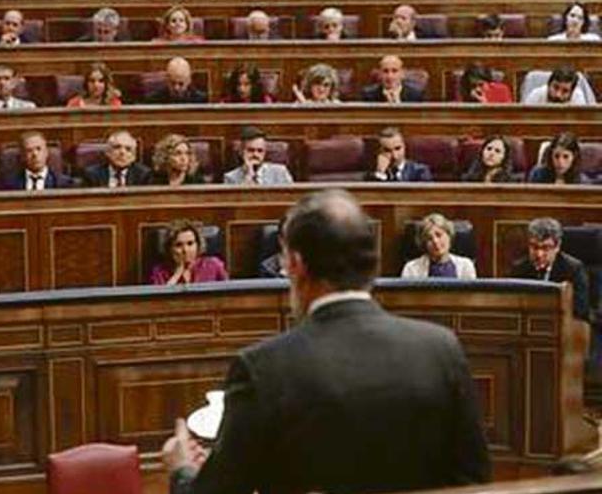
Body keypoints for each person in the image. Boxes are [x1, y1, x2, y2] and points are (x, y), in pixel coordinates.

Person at [162, 189, 491, 494]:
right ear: (372, 265)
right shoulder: (440, 349)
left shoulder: (263, 368)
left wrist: (181, 469)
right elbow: (475, 481)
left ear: (297, 265)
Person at [510, 217, 590, 322]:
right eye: (534, 247)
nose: (539, 254)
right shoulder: (519, 269)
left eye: (545, 248)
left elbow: (581, 310)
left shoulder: (573, 270)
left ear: (557, 246)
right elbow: (512, 305)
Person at [150, 219, 228, 285]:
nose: (185, 250)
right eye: (178, 245)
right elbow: (160, 300)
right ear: (170, 248)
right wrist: (177, 274)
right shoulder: (159, 272)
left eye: (190, 243)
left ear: (198, 245)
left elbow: (228, 295)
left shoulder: (214, 265)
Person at [401, 213, 477, 279]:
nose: (435, 241)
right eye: (429, 239)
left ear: (449, 235)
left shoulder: (466, 266)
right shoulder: (411, 269)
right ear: (424, 244)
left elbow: (470, 295)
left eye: (439, 235)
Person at [0, 131, 73, 190]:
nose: (35, 154)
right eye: (29, 150)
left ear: (46, 152)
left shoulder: (64, 184)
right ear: (22, 156)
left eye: (39, 149)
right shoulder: (9, 185)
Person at [224, 126, 293, 185]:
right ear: (241, 152)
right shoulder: (230, 177)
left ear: (265, 152)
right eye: (251, 150)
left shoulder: (280, 172)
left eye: (260, 151)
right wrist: (248, 175)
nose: (255, 154)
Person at [83, 130, 153, 187]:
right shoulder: (92, 174)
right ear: (107, 152)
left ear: (133, 157)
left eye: (128, 149)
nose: (122, 152)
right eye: (117, 147)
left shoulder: (143, 175)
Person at [365, 127, 432, 182]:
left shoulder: (420, 172)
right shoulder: (372, 175)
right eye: (387, 151)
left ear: (404, 147)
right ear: (379, 152)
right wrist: (380, 173)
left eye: (398, 148)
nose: (394, 156)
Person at [523, 66, 589, 105]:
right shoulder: (536, 95)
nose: (558, 95)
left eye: (565, 91)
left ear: (572, 93)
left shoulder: (578, 99)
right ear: (548, 84)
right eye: (555, 87)